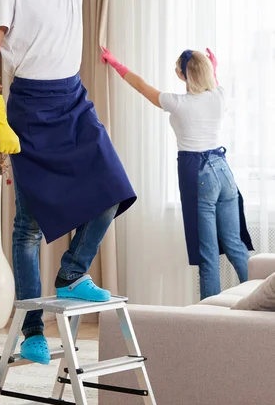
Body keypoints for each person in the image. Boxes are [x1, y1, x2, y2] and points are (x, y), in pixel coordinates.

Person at [0, 0, 183, 365]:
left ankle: (71, 275)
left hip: (72, 100)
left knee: (112, 191)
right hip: (28, 106)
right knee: (27, 224)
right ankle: (32, 332)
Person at [101, 46, 253, 300]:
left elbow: (141, 86)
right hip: (223, 171)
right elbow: (211, 82)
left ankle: (208, 320)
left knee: (208, 254)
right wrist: (211, 68)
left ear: (185, 76)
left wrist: (116, 64)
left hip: (199, 174)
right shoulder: (220, 95)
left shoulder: (178, 103)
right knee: (235, 245)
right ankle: (264, 305)